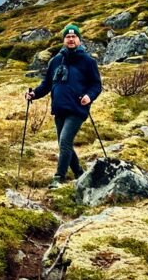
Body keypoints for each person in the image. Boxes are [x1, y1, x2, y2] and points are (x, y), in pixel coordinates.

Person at [25, 24, 102, 189]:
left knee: (65, 141)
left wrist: (89, 96)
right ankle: (80, 174)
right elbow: (46, 84)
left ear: (79, 40)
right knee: (64, 144)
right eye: (68, 37)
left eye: (74, 37)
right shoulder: (55, 61)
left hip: (77, 109)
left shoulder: (88, 61)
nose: (71, 39)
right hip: (59, 108)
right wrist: (34, 94)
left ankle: (59, 177)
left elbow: (96, 85)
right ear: (64, 40)